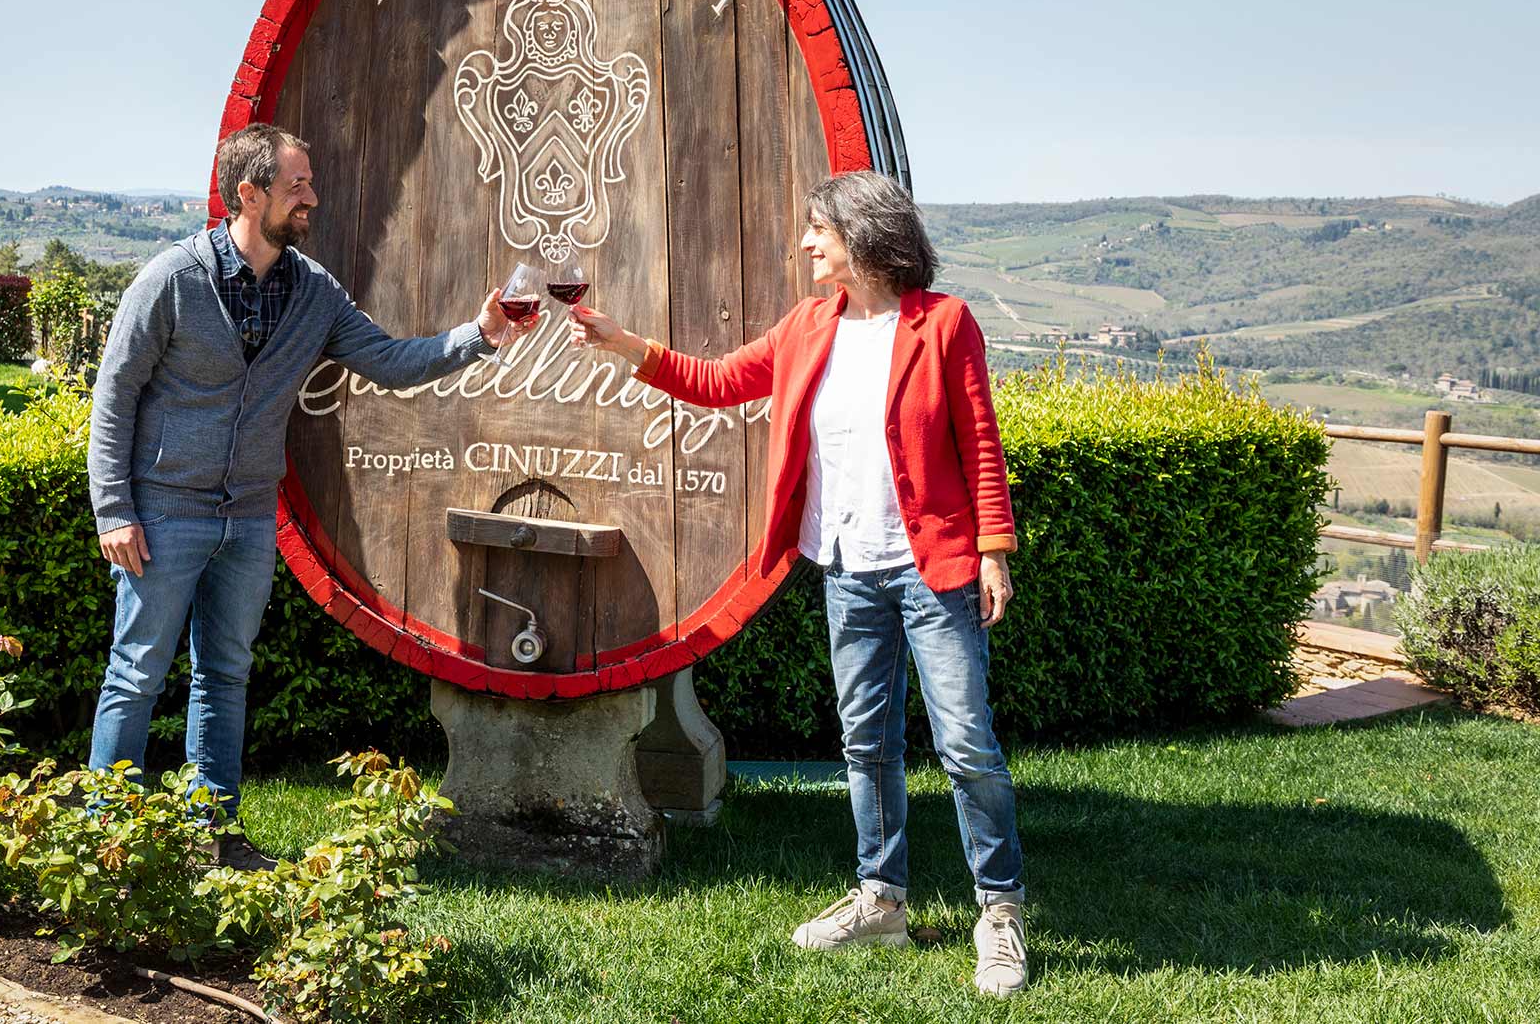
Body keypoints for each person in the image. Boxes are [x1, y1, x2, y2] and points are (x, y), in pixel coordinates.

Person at [569, 170, 1029, 997]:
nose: (808, 242)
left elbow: (981, 440)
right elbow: (715, 381)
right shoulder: (808, 325)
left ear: (863, 234)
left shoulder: (944, 323)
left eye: (820, 229)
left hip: (933, 572)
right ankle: (881, 898)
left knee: (966, 746)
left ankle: (999, 911)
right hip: (847, 569)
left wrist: (993, 549)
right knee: (866, 743)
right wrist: (622, 342)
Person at [84, 122, 535, 866]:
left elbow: (389, 360)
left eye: (310, 184)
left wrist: (479, 335)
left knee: (225, 675)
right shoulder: (170, 280)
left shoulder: (314, 291)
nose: (312, 199)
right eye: (297, 186)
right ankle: (104, 843)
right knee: (136, 674)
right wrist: (115, 510)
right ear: (249, 194)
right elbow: (114, 395)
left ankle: (214, 837)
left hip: (247, 520)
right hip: (163, 513)